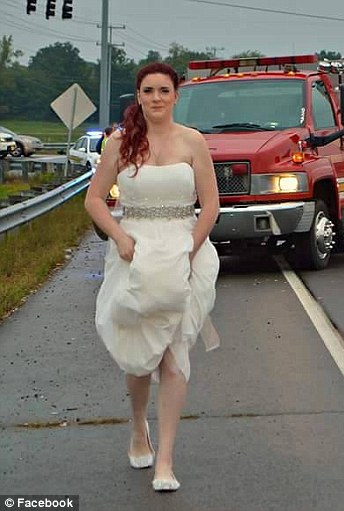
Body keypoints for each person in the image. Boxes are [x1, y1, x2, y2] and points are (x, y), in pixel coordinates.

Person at [84, 62, 220, 492]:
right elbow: (94, 201)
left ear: (176, 95)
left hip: (182, 250)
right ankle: (138, 423)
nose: (156, 98)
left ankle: (165, 460)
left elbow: (211, 206)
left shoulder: (193, 142)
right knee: (140, 357)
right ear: (138, 96)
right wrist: (120, 236)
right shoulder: (120, 145)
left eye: (164, 90)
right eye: (148, 91)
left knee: (174, 354)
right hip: (135, 253)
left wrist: (191, 249)